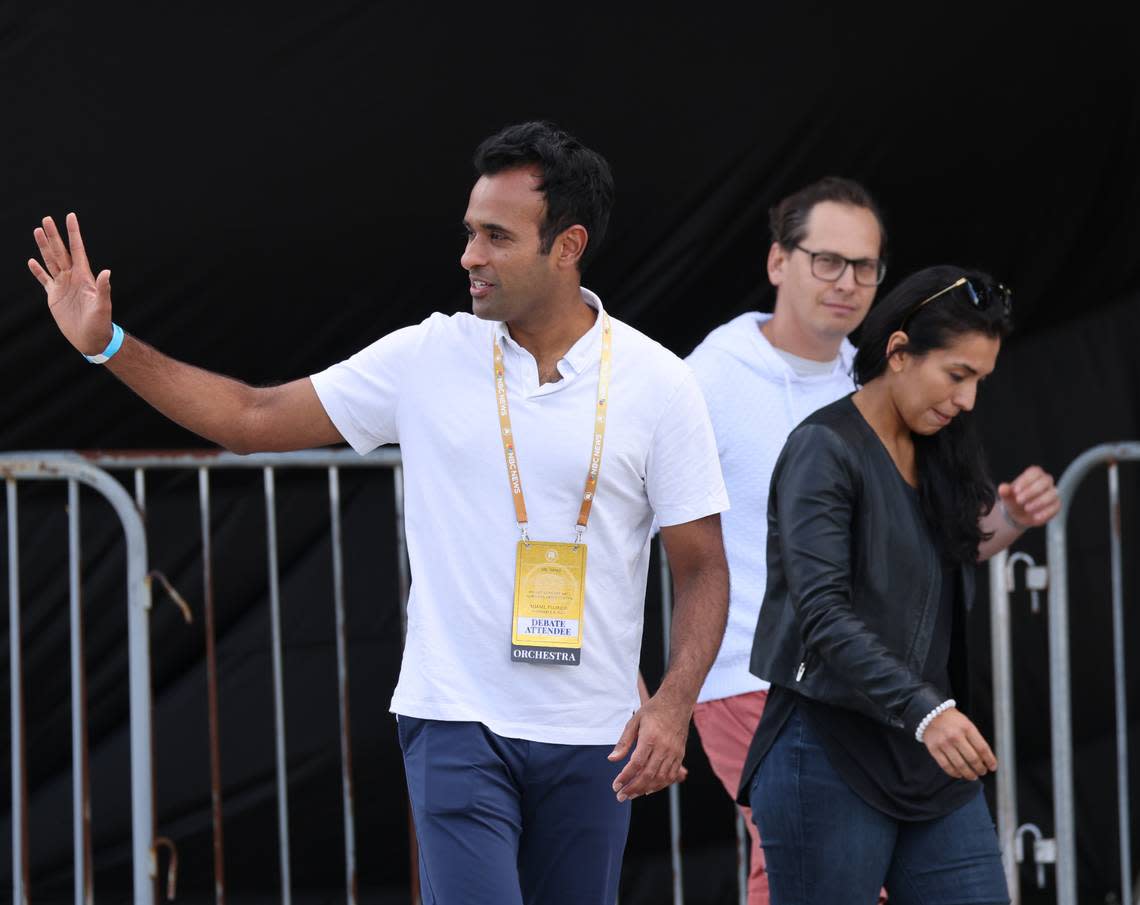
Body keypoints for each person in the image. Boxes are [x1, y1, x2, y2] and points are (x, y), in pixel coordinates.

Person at [28, 121, 731, 904]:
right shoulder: (427, 355)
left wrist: (673, 705)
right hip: (453, 719)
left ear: (567, 246)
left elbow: (702, 565)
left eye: (496, 236)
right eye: (469, 232)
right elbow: (252, 418)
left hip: (593, 734)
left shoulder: (659, 382)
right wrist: (107, 344)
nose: (469, 255)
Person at [687, 179, 1055, 904]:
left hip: (909, 721)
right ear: (778, 261)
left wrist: (1007, 516)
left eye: (866, 266)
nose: (847, 282)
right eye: (830, 260)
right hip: (777, 695)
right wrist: (645, 685)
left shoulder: (927, 428)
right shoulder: (719, 385)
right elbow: (817, 608)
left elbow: (933, 556)